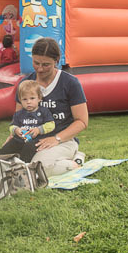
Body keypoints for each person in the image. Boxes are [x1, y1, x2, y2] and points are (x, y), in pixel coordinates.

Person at [19, 37, 88, 176]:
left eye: (46, 65)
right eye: (36, 63)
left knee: (37, 169)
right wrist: (15, 134)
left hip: (64, 141)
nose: (40, 68)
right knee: (11, 166)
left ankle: (75, 162)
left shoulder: (70, 83)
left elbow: (82, 121)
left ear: (56, 61)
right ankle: (69, 160)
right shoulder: (26, 84)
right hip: (34, 143)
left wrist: (56, 139)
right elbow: (20, 119)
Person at [0, 80, 56, 161]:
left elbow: (51, 124)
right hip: (20, 139)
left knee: (28, 149)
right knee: (5, 148)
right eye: (24, 99)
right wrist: (16, 130)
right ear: (20, 100)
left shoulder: (44, 111)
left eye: (32, 98)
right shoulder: (19, 114)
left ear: (39, 98)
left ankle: (23, 165)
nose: (28, 102)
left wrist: (38, 130)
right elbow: (12, 126)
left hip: (36, 140)